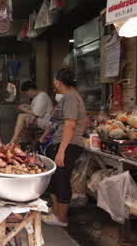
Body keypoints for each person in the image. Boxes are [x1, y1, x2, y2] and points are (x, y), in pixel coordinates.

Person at [41, 68, 86, 227]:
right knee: (55, 179)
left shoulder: (71, 97)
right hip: (61, 143)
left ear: (58, 82)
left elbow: (70, 124)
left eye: (54, 79)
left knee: (61, 181)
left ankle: (62, 219)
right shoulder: (68, 97)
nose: (54, 83)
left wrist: (61, 151)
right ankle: (56, 213)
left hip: (67, 145)